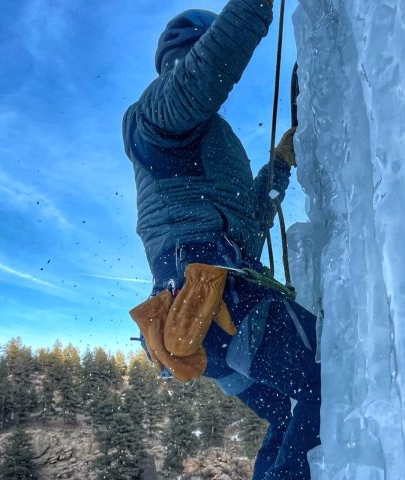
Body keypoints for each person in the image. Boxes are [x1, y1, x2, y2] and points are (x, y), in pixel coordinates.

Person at [122, 1, 321, 478]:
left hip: (204, 321)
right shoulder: (153, 120)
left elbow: (247, 226)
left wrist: (280, 164)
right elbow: (209, 69)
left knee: (290, 412)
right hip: (221, 300)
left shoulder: (198, 146)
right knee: (334, 376)